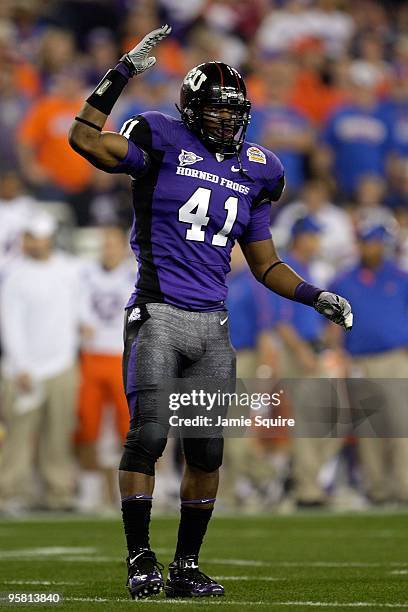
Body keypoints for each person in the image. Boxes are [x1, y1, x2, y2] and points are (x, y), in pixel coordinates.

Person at [68, 25, 352, 600]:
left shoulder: (259, 169)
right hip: (158, 312)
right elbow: (83, 138)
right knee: (147, 435)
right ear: (191, 109)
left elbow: (267, 264)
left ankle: (186, 566)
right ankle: (140, 558)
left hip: (212, 325)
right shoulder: (160, 137)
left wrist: (313, 294)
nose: (227, 120)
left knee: (207, 450)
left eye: (234, 111)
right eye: (216, 110)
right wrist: (121, 72)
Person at [0, 211, 84, 512]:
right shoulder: (13, 273)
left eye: (39, 238)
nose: (34, 244)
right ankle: (9, 493)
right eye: (30, 237)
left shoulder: (71, 270)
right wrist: (20, 364)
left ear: (49, 239)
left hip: (62, 364)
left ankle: (58, 493)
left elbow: (80, 308)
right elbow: (10, 323)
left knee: (58, 435)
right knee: (18, 437)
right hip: (23, 369)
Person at [329, 223, 408, 505]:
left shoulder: (400, 277)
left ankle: (404, 489)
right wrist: (338, 355)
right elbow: (333, 324)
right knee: (370, 431)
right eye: (365, 242)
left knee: (401, 427)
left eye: (374, 243)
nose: (370, 247)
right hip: (359, 361)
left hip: (395, 359)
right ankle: (377, 490)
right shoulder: (344, 281)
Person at [76, 225, 135, 512]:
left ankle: (132, 490)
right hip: (91, 356)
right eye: (105, 244)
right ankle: (91, 489)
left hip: (124, 358)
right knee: (88, 426)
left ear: (124, 247)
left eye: (114, 244)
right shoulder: (83, 273)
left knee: (132, 428)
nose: (109, 249)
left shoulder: (136, 274)